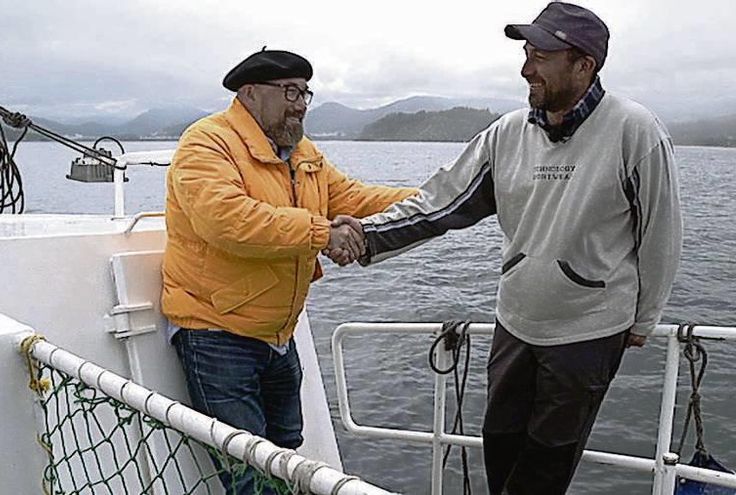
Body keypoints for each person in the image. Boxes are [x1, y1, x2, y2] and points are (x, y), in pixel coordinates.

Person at [328, 3, 682, 493]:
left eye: (541, 55)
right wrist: (366, 237)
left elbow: (660, 235)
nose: (525, 67)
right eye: (526, 52)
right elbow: (441, 203)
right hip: (516, 321)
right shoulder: (507, 134)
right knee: (499, 441)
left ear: (584, 64)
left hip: (589, 330)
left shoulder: (634, 130)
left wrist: (643, 320)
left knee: (545, 464)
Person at [161, 48, 417, 494]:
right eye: (290, 92)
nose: (300, 104)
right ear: (251, 93)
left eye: (305, 93)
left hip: (280, 336)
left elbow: (353, 198)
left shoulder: (303, 154)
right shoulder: (207, 143)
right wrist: (324, 233)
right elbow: (228, 220)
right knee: (250, 474)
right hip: (216, 334)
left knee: (285, 453)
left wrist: (440, 200)